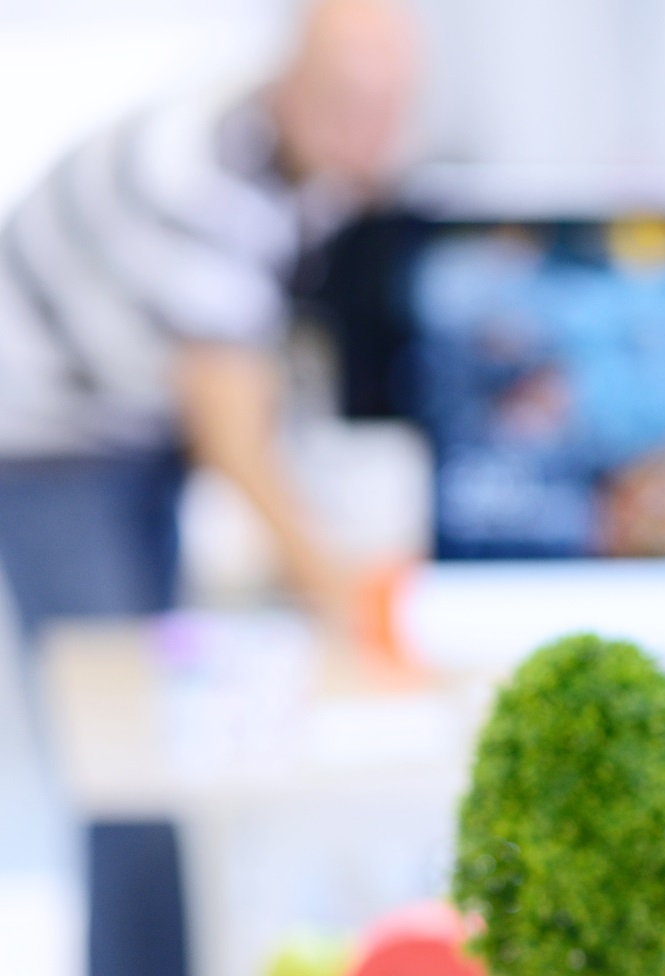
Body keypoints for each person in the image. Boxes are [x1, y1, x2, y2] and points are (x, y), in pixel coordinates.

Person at [0, 0, 420, 634]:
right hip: (52, 427)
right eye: (348, 105)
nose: (371, 138)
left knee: (158, 648)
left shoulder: (307, 166)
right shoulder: (207, 177)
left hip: (133, 415)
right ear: (294, 80)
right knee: (107, 661)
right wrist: (334, 588)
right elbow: (229, 429)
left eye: (387, 110)